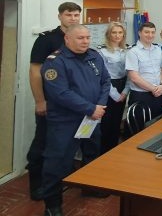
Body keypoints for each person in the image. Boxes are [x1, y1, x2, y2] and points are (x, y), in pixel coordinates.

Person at [41, 24, 110, 216]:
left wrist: (100, 106)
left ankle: (89, 187)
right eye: (80, 38)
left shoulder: (94, 56)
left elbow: (106, 81)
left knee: (92, 154)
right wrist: (91, 108)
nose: (85, 41)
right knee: (57, 162)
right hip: (65, 121)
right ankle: (52, 205)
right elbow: (60, 93)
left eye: (87, 37)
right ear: (67, 39)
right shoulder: (55, 62)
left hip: (91, 118)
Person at [26, 1, 81, 201]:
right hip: (51, 103)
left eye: (76, 15)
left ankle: (59, 179)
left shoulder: (79, 38)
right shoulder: (47, 39)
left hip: (72, 103)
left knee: (65, 144)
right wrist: (40, 101)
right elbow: (35, 72)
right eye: (68, 15)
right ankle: (36, 185)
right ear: (60, 16)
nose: (73, 18)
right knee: (42, 144)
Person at [97, 22, 129, 154]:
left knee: (117, 122)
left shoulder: (127, 50)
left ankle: (113, 151)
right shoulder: (101, 51)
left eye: (120, 33)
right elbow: (103, 76)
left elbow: (130, 74)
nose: (117, 35)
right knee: (106, 123)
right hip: (108, 88)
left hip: (123, 86)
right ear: (108, 34)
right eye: (114, 32)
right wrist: (115, 95)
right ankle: (103, 153)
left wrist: (125, 92)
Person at [125, 22, 162, 118]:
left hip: (158, 94)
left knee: (156, 123)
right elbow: (134, 77)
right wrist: (153, 89)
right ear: (139, 33)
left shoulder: (158, 49)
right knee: (140, 124)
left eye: (153, 32)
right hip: (140, 95)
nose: (150, 35)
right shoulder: (133, 52)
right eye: (147, 32)